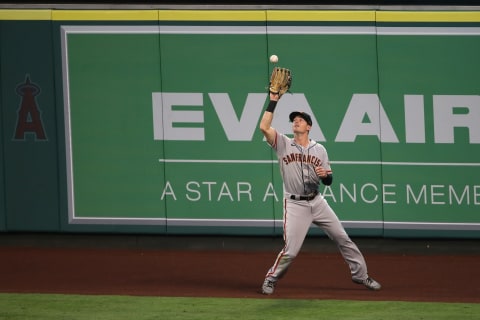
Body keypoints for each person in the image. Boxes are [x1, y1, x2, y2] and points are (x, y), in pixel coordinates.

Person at [259, 91, 381, 295]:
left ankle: (361, 276)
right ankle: (270, 278)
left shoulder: (320, 150)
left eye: (301, 120)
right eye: (294, 120)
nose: (296, 122)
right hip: (295, 204)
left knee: (343, 238)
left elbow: (329, 180)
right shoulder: (283, 144)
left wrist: (325, 176)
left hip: (317, 202)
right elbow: (264, 127)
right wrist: (273, 100)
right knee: (291, 250)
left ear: (309, 126)